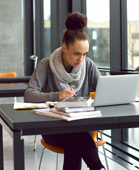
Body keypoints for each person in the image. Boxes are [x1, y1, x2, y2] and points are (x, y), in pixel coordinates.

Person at [24, 12, 105, 170]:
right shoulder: (45, 65)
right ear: (64, 47)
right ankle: (98, 167)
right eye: (76, 54)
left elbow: (104, 90)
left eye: (84, 54)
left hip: (81, 126)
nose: (81, 60)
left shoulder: (88, 65)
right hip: (53, 128)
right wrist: (57, 95)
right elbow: (29, 95)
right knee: (76, 136)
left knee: (75, 136)